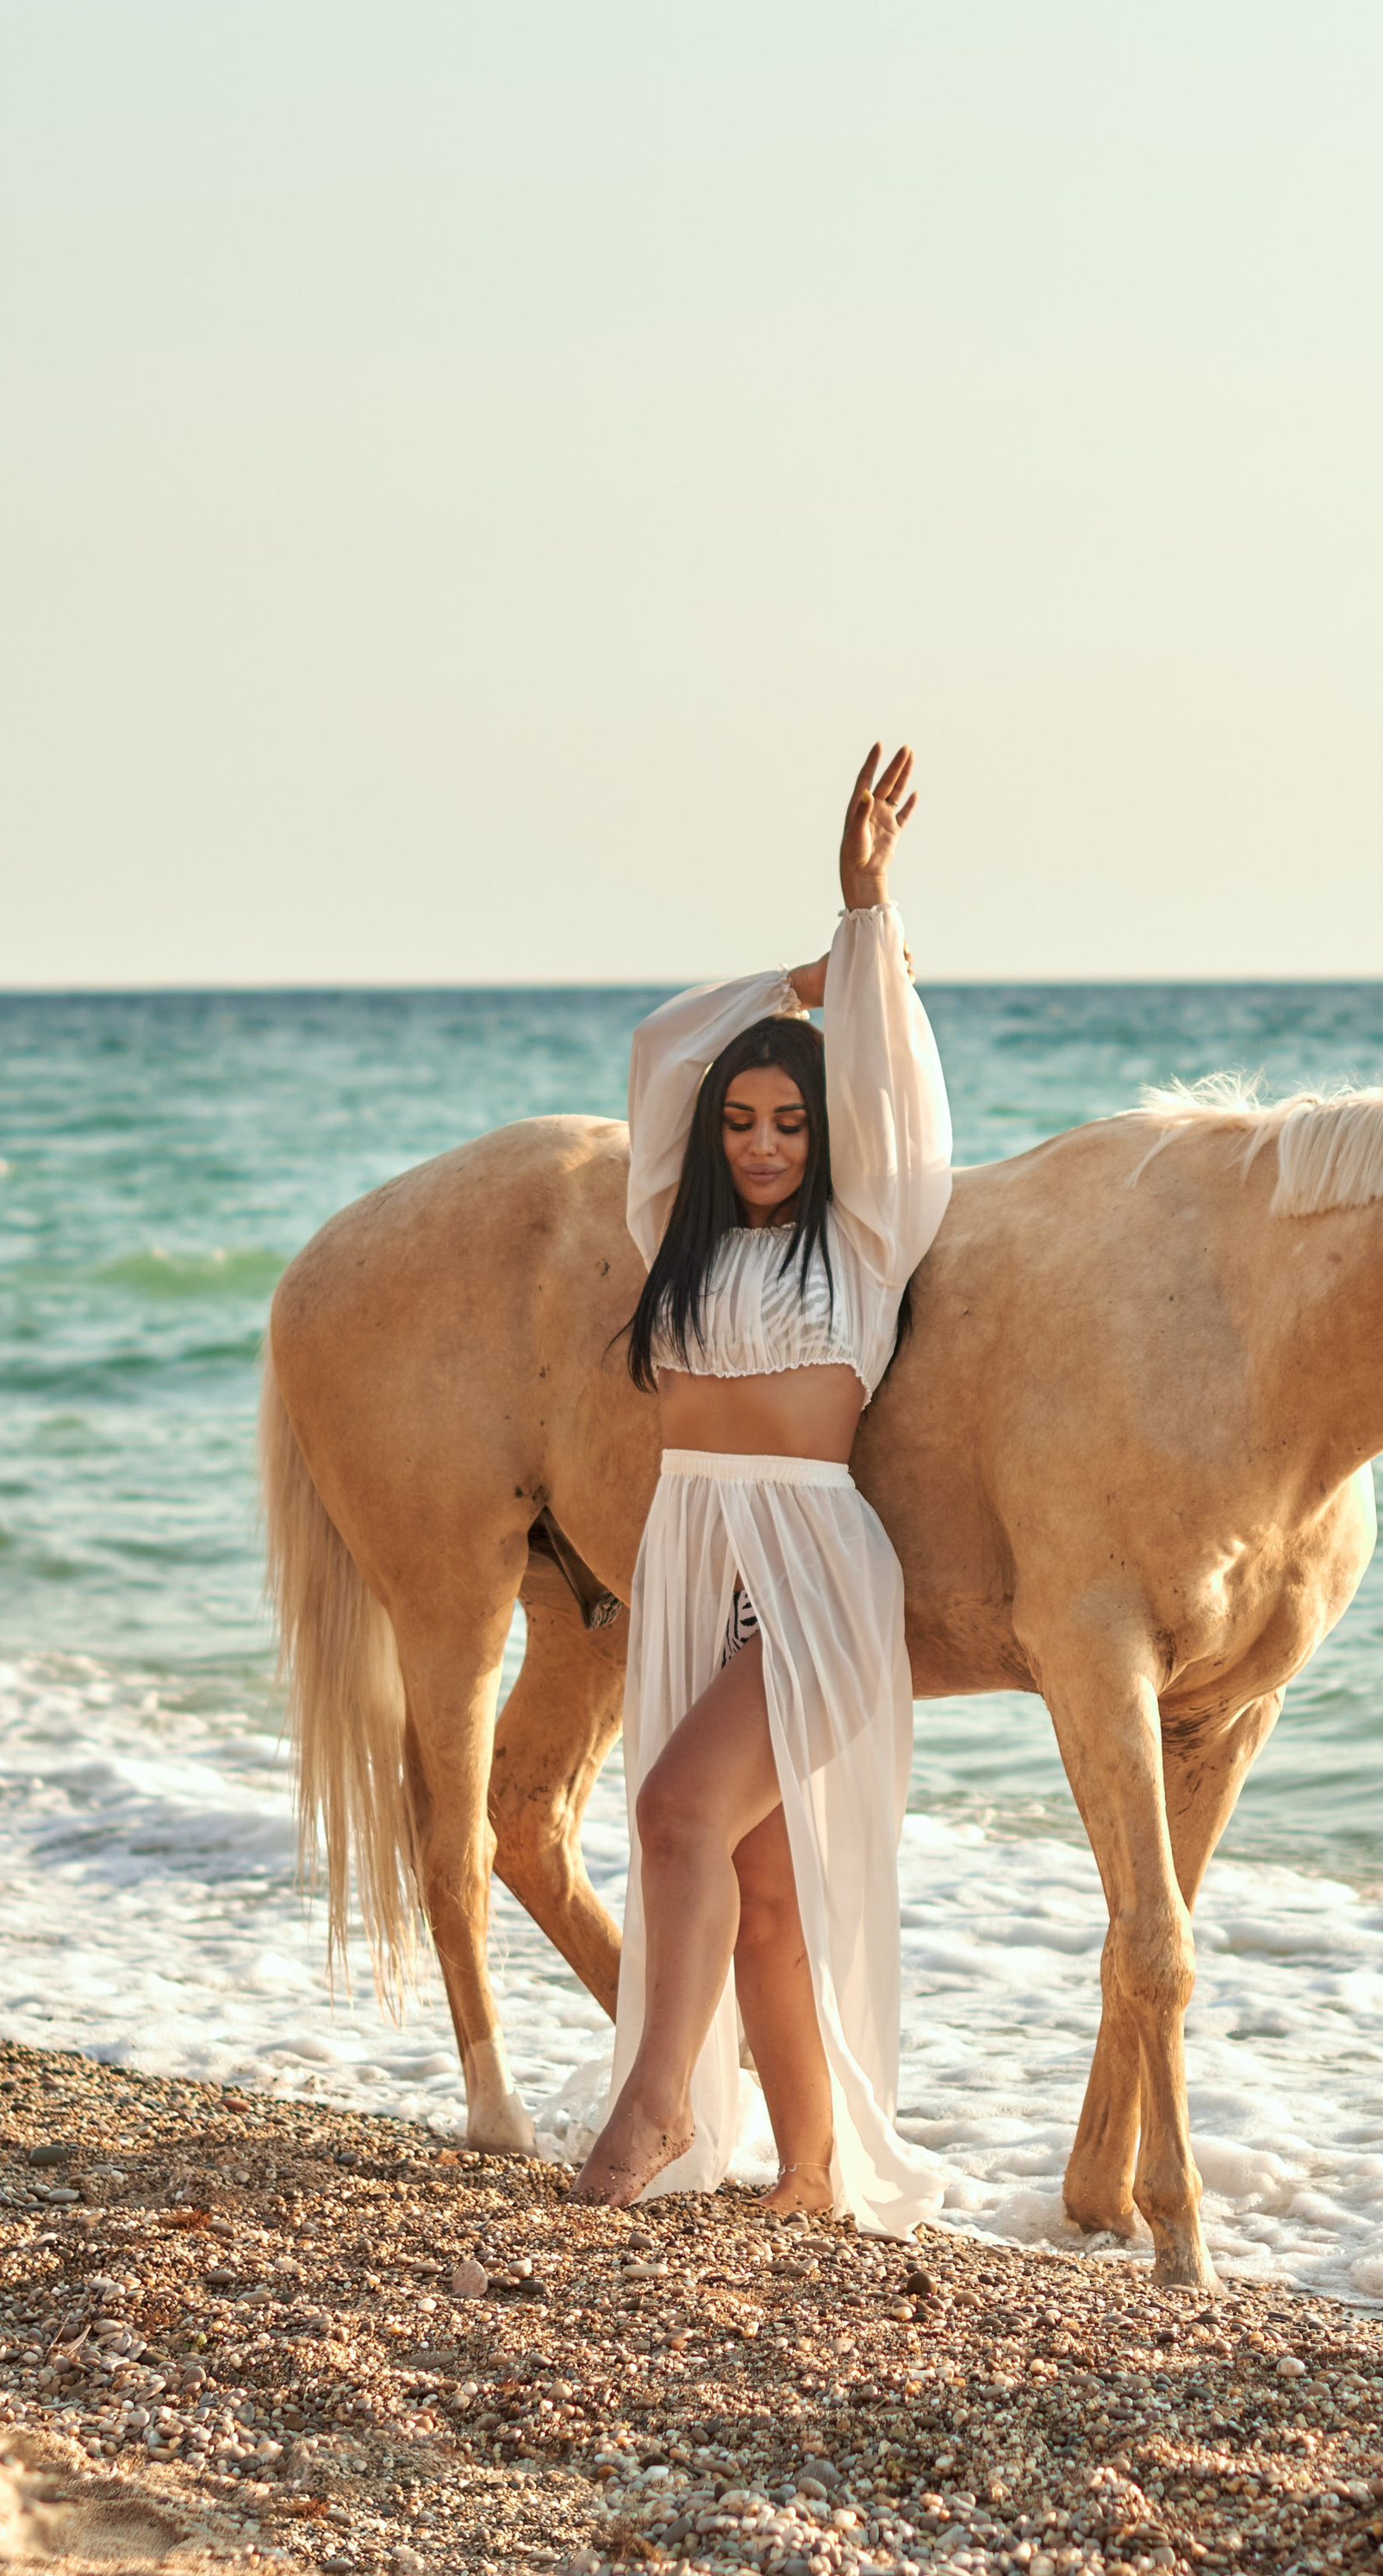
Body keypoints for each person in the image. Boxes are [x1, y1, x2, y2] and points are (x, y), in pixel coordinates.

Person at [572, 746, 952, 2230]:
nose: (765, 1141)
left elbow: (891, 1084)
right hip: (697, 1557)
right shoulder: (678, 1225)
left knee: (673, 1811)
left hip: (817, 1574)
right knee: (765, 1900)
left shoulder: (868, 1238)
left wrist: (863, 912)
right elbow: (667, 1047)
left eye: (790, 1123)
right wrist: (787, 978)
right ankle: (806, 2175)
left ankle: (655, 2097)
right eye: (745, 1124)